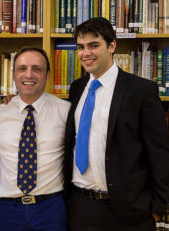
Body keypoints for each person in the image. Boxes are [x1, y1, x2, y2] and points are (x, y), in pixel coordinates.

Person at [63, 17, 169, 231]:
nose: (86, 53)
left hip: (129, 211)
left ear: (112, 46)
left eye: (94, 45)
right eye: (81, 47)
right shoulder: (77, 88)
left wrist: (157, 207)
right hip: (82, 207)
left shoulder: (141, 91)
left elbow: (159, 153)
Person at [0, 47, 70, 231]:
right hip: (9, 209)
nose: (29, 75)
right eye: (22, 68)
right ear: (14, 74)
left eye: (37, 69)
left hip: (51, 207)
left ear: (48, 75)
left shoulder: (65, 111)